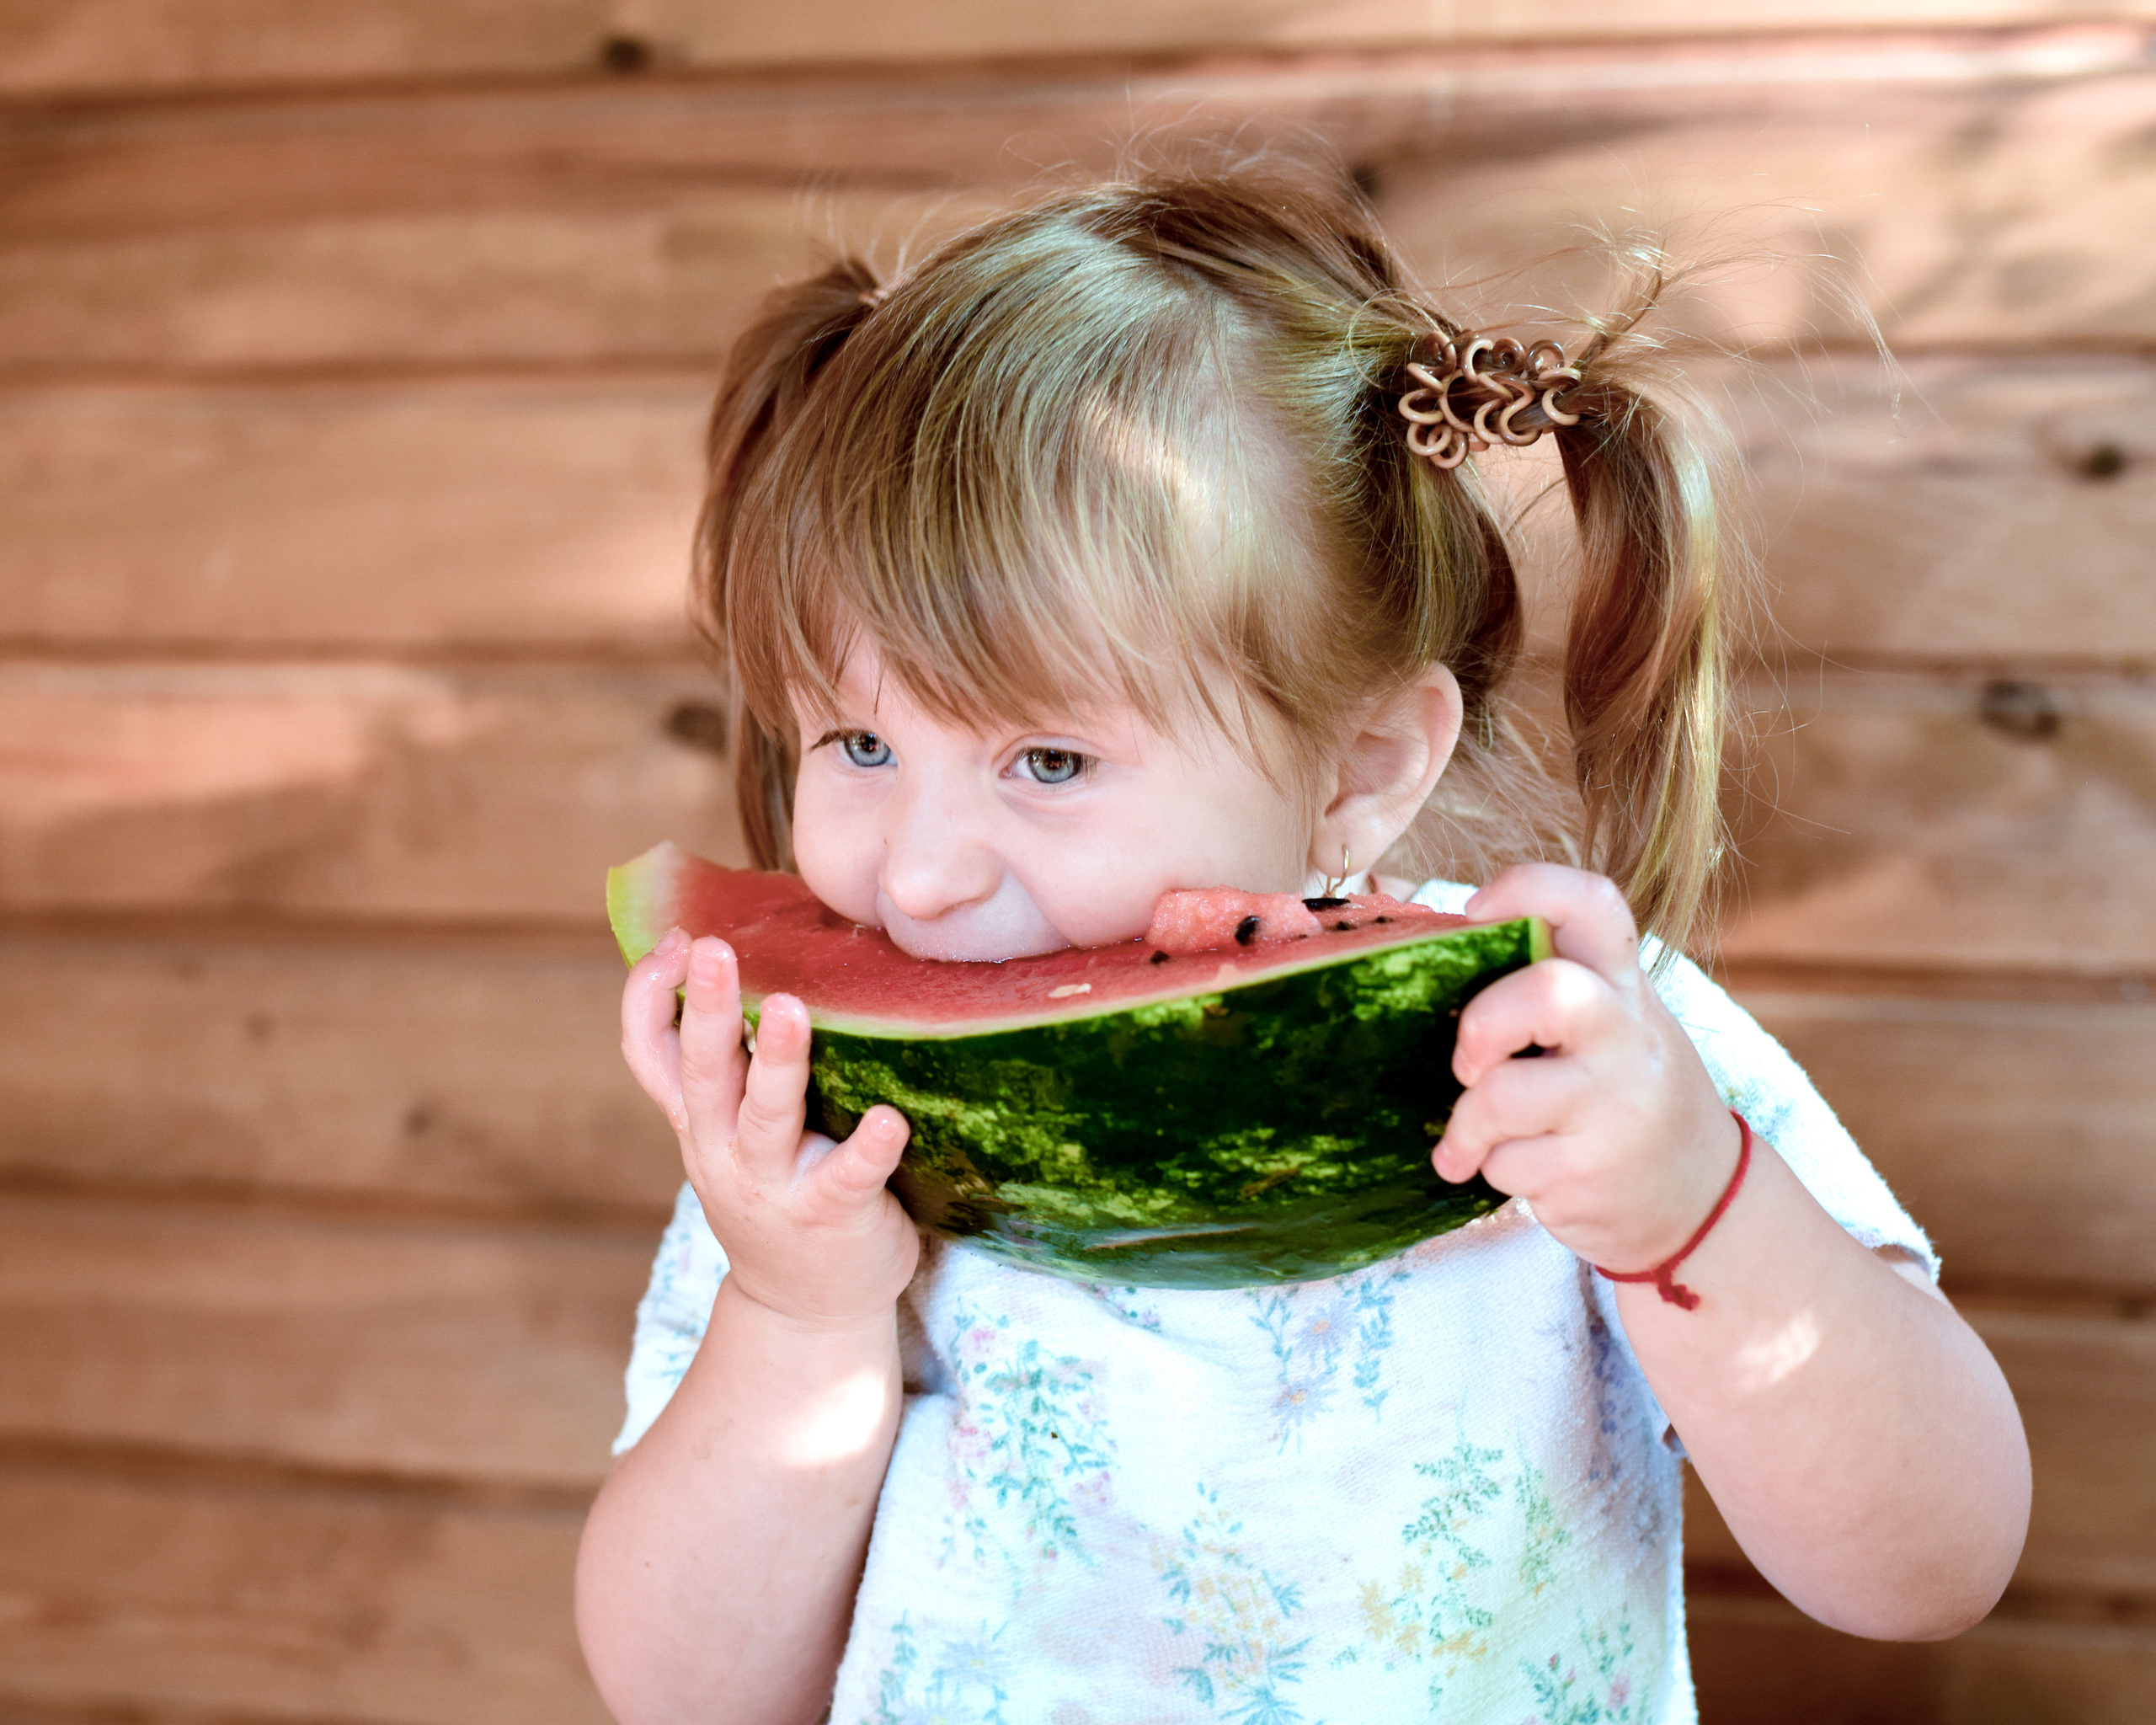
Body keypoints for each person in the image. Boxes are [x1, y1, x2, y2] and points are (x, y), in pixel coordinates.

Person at [574, 165, 2030, 1725]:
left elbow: (1931, 1568)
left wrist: (1694, 1211)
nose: (919, 878)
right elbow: (686, 1694)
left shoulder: (1568, 1046)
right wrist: (801, 1311)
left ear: (1360, 771)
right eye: (856, 743)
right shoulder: (819, 1139)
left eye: (1048, 763)